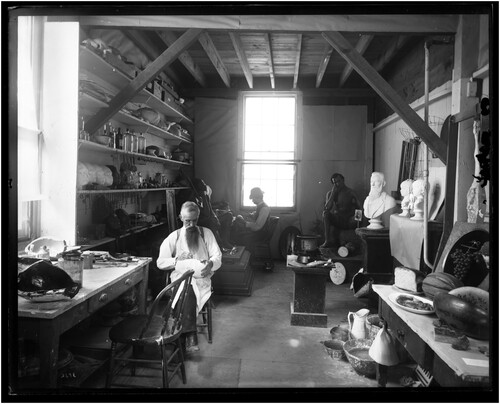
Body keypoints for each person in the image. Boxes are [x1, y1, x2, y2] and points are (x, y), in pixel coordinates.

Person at [157, 201, 222, 353]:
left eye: (194, 220)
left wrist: (211, 264)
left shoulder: (206, 233)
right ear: (181, 217)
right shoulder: (175, 236)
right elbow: (160, 262)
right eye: (187, 221)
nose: (191, 224)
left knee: (190, 285)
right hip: (180, 279)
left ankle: (181, 334)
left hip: (201, 280)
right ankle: (190, 335)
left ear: (198, 218)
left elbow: (218, 256)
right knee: (187, 285)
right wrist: (176, 260)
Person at [320, 173, 361, 248]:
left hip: (348, 220)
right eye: (334, 183)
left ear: (343, 180)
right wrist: (333, 193)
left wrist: (356, 219)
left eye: (338, 181)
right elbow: (327, 208)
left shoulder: (351, 192)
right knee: (325, 213)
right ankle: (327, 241)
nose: (337, 184)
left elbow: (360, 207)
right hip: (338, 219)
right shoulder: (330, 193)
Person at [191, 178, 233, 250]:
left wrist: (215, 217)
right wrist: (204, 196)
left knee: (229, 215)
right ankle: (219, 244)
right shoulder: (192, 199)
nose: (204, 185)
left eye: (204, 183)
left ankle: (225, 240)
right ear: (196, 187)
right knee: (211, 222)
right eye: (202, 184)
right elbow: (206, 214)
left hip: (208, 218)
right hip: (200, 222)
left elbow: (210, 210)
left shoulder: (204, 195)